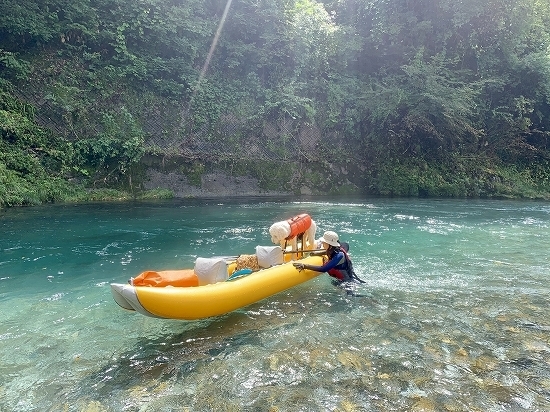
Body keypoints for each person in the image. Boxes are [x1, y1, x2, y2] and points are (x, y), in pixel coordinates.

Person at [293, 231, 365, 284]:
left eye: (324, 243)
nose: (322, 244)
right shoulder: (332, 249)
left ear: (330, 245)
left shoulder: (339, 255)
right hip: (339, 280)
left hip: (347, 282)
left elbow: (323, 269)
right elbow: (327, 252)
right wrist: (315, 253)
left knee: (350, 297)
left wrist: (304, 265)